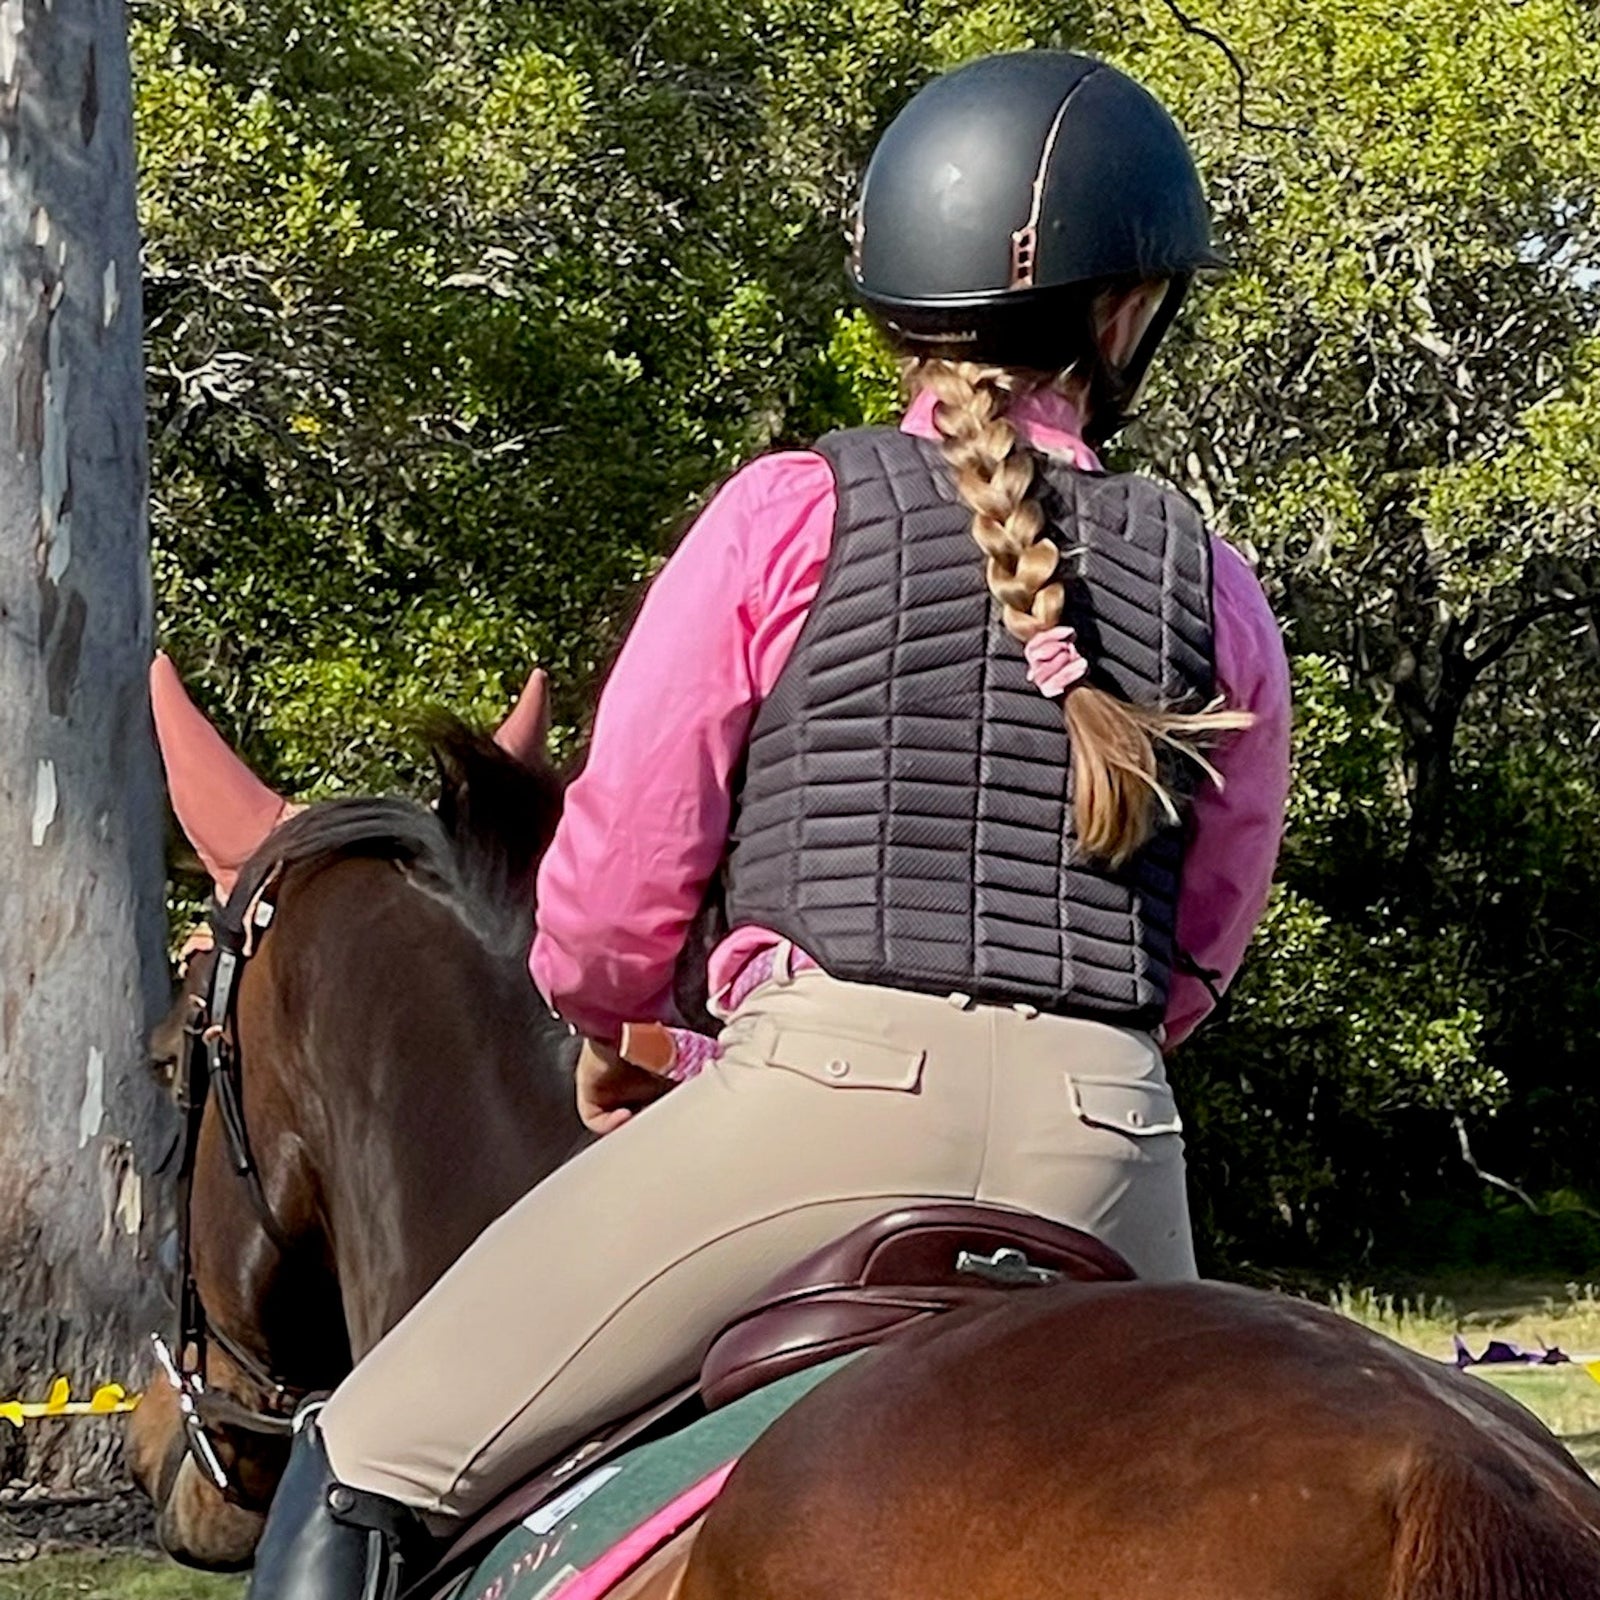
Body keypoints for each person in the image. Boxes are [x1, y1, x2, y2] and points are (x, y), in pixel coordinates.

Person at [248, 48, 1292, 1598]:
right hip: (1116, 1149)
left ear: (896, 308)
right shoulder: (1212, 583)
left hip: (821, 1114)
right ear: (1125, 313)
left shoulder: (791, 512)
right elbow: (1201, 947)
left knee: (365, 1457)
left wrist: (624, 1029)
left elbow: (604, 905)